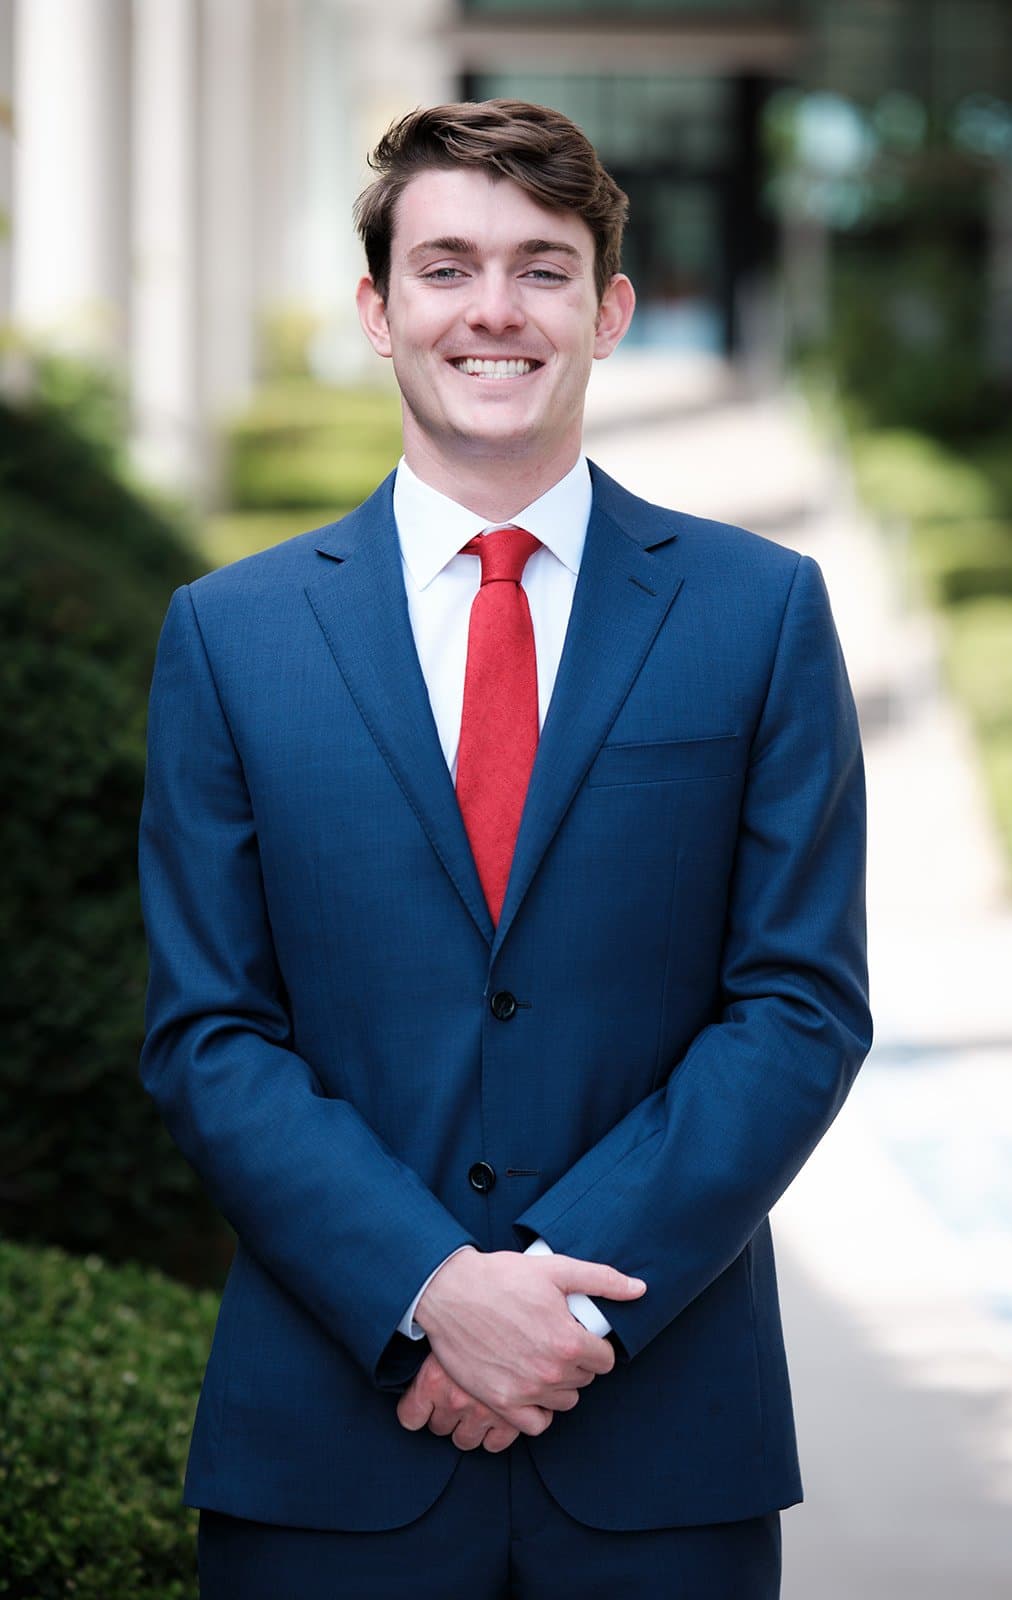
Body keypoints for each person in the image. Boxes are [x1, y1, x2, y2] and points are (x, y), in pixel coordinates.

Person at [138, 98, 871, 1599]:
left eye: (543, 269)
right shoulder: (230, 635)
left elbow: (799, 1005)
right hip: (329, 1446)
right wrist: (428, 1292)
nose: (493, 310)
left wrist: (561, 1308)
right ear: (378, 309)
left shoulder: (760, 612)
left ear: (610, 313)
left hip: (661, 1448)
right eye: (447, 265)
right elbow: (211, 1029)